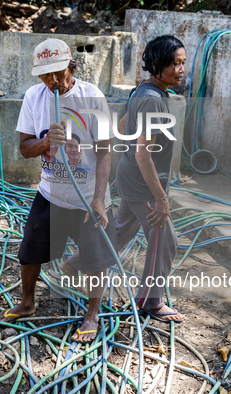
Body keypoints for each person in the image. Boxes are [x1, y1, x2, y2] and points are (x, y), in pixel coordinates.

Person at [0, 38, 118, 343]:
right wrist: (47, 142)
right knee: (29, 252)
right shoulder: (33, 97)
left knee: (95, 258)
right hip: (51, 193)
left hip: (88, 196)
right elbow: (25, 148)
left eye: (58, 72)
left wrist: (99, 199)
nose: (52, 81)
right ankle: (27, 302)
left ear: (71, 66)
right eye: (45, 75)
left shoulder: (92, 96)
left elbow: (105, 150)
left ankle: (92, 313)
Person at [62, 35, 185, 323]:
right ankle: (150, 302)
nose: (181, 69)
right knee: (164, 239)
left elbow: (122, 126)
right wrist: (161, 198)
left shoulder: (142, 92)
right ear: (156, 64)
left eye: (182, 63)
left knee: (119, 231)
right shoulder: (152, 101)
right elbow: (144, 155)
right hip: (143, 183)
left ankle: (73, 263)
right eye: (174, 63)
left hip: (131, 177)